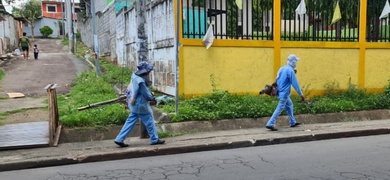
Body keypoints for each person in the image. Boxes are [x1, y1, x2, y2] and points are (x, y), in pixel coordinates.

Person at [114, 61, 165, 147]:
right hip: (141, 104)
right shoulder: (140, 81)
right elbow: (146, 94)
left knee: (130, 121)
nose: (149, 72)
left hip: (133, 103)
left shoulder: (134, 76)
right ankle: (154, 139)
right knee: (149, 120)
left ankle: (119, 139)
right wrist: (152, 98)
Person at [265, 54, 305, 131]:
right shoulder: (290, 71)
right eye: (296, 61)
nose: (296, 63)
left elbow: (277, 80)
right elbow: (295, 84)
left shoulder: (282, 68)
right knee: (279, 108)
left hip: (280, 91)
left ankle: (293, 122)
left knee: (289, 105)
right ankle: (270, 123)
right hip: (285, 93)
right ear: (293, 62)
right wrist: (301, 94)